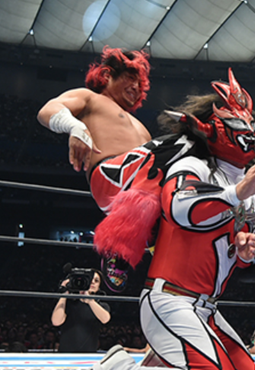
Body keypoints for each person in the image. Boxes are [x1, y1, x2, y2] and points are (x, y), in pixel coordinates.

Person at [58, 69, 255, 370]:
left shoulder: (250, 187)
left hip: (206, 308)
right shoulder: (192, 165)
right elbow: (181, 208)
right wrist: (236, 192)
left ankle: (166, 361)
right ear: (210, 128)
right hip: (169, 300)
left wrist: (243, 251)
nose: (246, 134)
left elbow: (232, 257)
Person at [37, 47, 163, 292]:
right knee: (177, 145)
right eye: (130, 78)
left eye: (140, 84)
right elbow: (48, 110)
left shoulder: (141, 126)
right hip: (112, 175)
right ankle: (124, 241)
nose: (136, 87)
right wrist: (76, 128)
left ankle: (129, 244)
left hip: (143, 188)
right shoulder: (91, 98)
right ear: (107, 75)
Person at [51, 270, 111, 353]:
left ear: (99, 287)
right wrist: (64, 294)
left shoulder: (101, 305)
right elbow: (56, 322)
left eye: (96, 281)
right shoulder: (68, 303)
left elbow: (105, 319)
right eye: (90, 279)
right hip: (65, 354)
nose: (92, 282)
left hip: (88, 356)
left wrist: (90, 300)